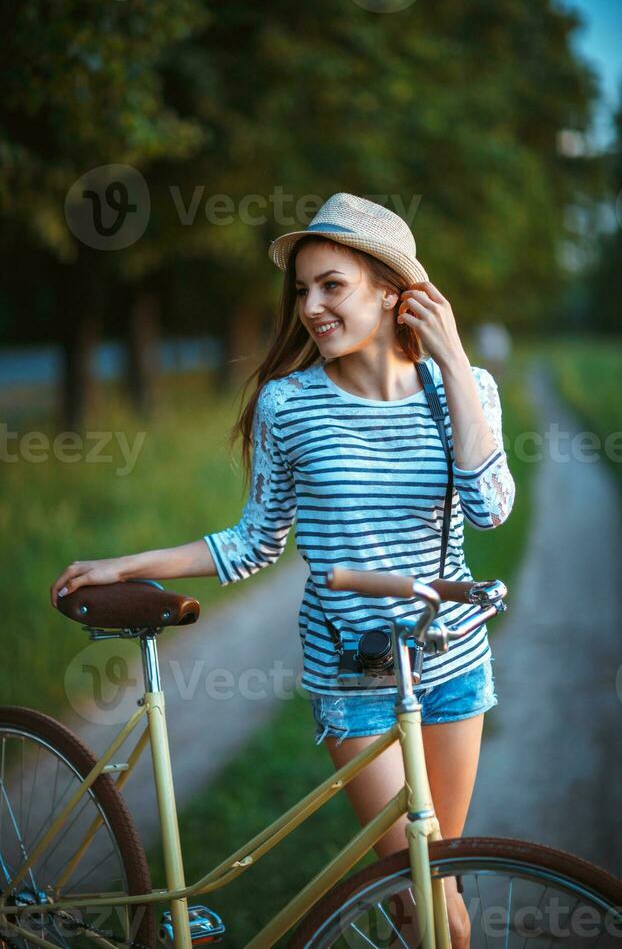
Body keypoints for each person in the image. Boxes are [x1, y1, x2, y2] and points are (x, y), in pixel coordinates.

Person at [51, 192, 515, 946]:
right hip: (354, 673)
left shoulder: (464, 389)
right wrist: (126, 562)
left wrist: (456, 359)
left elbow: (491, 507)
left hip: (452, 661)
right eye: (302, 289)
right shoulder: (288, 403)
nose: (310, 306)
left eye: (331, 284)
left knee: (436, 889)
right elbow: (252, 544)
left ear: (394, 294)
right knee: (421, 890)